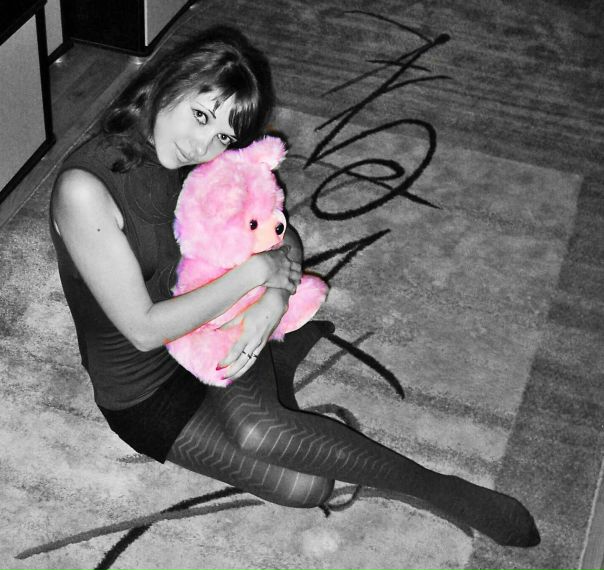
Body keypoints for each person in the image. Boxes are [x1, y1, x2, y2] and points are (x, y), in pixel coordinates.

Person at [50, 25, 540, 547]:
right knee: (307, 486)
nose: (201, 144)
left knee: (261, 431)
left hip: (220, 328)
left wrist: (273, 299)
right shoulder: (86, 191)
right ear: (168, 83)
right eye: (201, 115)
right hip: (144, 391)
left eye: (223, 136)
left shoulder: (203, 162)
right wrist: (255, 275)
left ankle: (443, 491)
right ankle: (277, 362)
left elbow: (281, 233)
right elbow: (145, 330)